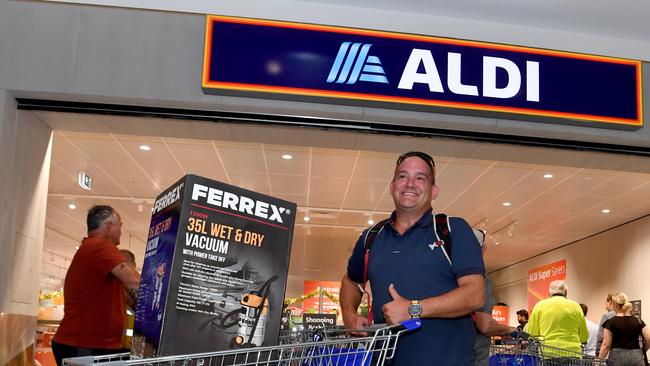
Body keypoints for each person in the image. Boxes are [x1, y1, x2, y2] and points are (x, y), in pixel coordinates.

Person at [340, 151, 486, 366]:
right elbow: (351, 280)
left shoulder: (452, 230)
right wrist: (349, 316)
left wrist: (413, 309)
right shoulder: (372, 236)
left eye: (420, 178)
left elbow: (475, 294)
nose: (410, 184)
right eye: (402, 176)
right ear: (392, 186)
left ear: (433, 190)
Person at [52, 205, 141, 366]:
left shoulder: (88, 249)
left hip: (83, 343)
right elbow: (135, 281)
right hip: (86, 344)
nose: (121, 231)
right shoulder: (101, 246)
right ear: (109, 227)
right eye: (120, 226)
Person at [471, 228, 517, 366]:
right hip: (473, 353)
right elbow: (485, 325)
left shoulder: (442, 274)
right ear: (483, 249)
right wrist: (511, 330)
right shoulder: (479, 277)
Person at [526, 280, 588, 358]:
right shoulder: (576, 307)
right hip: (573, 355)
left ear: (549, 293)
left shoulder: (539, 306)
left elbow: (532, 334)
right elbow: (584, 336)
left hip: (548, 354)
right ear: (566, 292)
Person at [598, 292, 650, 366]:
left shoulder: (610, 322)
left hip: (617, 359)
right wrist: (641, 351)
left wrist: (599, 361)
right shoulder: (638, 321)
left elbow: (606, 345)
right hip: (637, 358)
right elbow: (648, 338)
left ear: (615, 304)